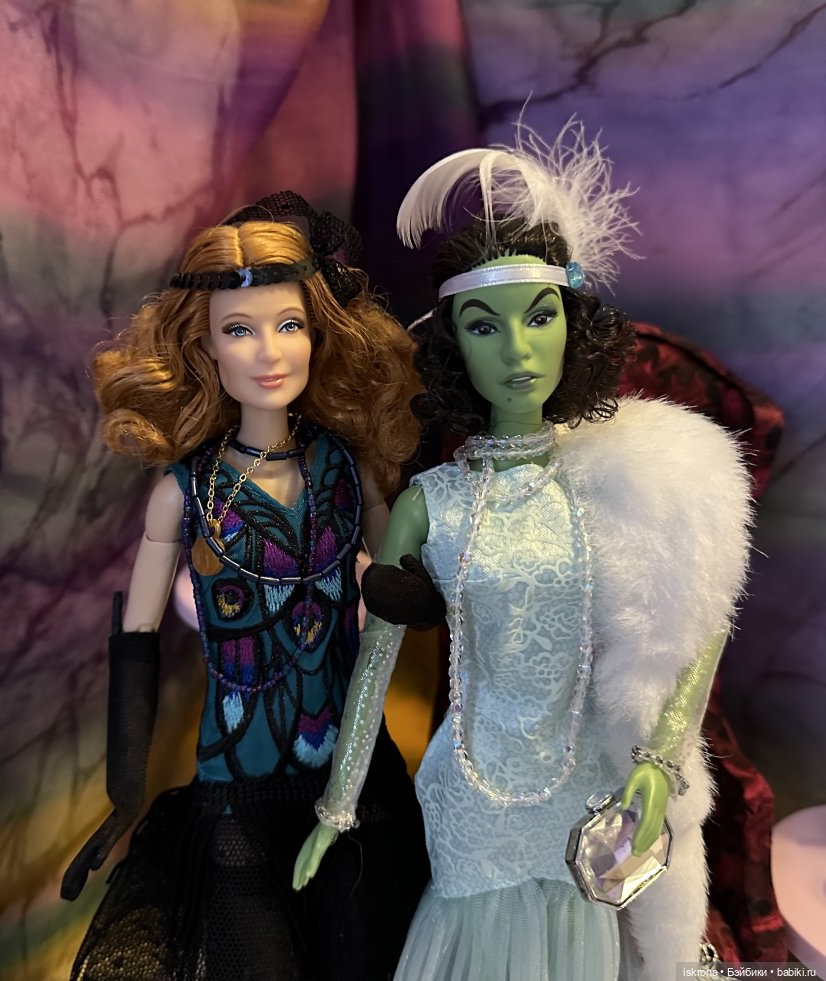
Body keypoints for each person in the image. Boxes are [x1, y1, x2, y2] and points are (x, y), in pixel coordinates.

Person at [294, 128, 751, 980]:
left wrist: (659, 763)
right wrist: (336, 808)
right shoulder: (432, 503)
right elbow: (374, 662)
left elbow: (697, 620)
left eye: (539, 316)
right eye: (485, 325)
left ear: (573, 327)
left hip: (589, 793)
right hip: (471, 802)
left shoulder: (621, 479)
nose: (516, 350)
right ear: (454, 347)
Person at [61, 192, 429, 980]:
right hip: (237, 792)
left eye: (288, 324)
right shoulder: (185, 495)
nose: (269, 351)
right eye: (239, 329)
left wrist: (411, 594)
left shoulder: (349, 470)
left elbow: (395, 581)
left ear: (320, 333)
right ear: (204, 347)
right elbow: (136, 637)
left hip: (355, 782)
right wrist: (125, 790)